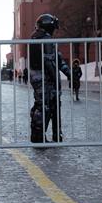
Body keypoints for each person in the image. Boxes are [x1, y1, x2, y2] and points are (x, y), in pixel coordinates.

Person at [29, 13, 70, 143]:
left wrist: (68, 73)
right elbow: (50, 61)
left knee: (44, 105)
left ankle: (40, 135)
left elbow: (56, 58)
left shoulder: (35, 37)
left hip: (38, 76)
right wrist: (56, 79)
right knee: (45, 106)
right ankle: (40, 136)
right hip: (44, 78)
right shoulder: (45, 38)